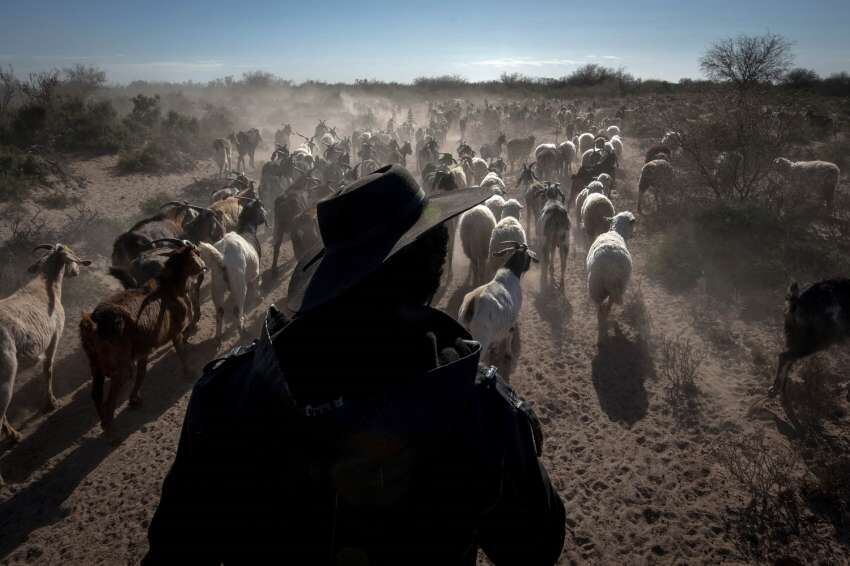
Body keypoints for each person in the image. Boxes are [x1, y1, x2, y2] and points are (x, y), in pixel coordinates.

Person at [143, 165, 566, 565]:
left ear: (329, 279)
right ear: (435, 276)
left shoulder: (227, 394)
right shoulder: (475, 407)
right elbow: (535, 546)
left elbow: (173, 552)